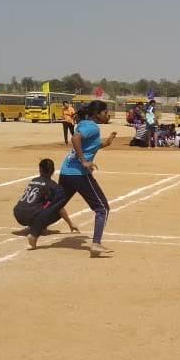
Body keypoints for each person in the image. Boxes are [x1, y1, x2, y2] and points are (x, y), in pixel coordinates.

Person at [60, 100, 117, 258]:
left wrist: (106, 143)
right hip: (79, 173)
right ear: (97, 114)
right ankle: (96, 243)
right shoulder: (92, 126)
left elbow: (89, 144)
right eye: (105, 112)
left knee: (58, 204)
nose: (107, 115)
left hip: (66, 171)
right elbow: (75, 139)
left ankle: (35, 232)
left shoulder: (84, 123)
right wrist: (84, 160)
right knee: (102, 208)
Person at [14, 158, 79, 249]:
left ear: (40, 169)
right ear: (52, 171)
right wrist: (70, 223)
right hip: (31, 215)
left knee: (41, 203)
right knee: (56, 209)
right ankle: (38, 227)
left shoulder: (33, 180)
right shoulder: (52, 185)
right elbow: (59, 206)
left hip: (17, 213)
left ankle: (33, 225)